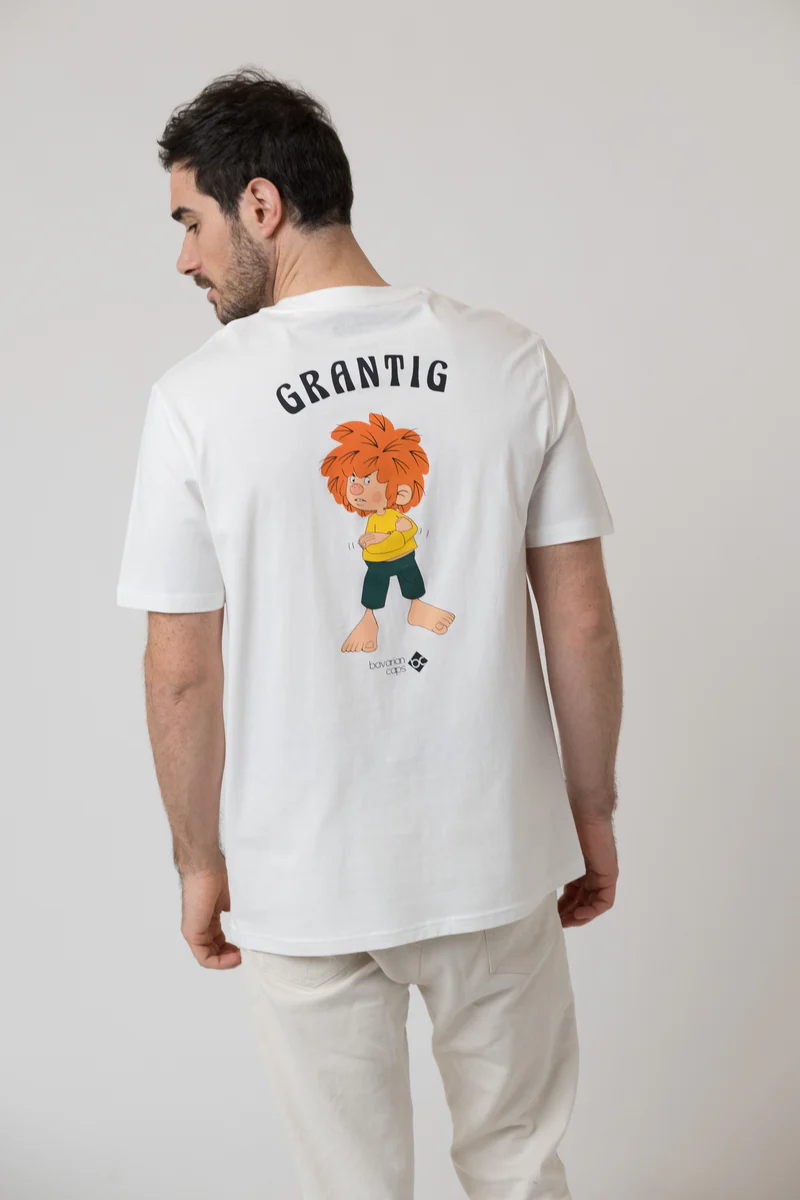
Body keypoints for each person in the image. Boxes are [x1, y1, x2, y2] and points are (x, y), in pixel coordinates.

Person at [116, 66, 623, 1200]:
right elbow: (581, 619)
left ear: (260, 205)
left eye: (191, 222)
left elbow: (180, 671)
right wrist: (589, 812)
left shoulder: (195, 400)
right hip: (494, 857)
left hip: (303, 877)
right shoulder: (510, 361)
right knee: (519, 1166)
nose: (185, 259)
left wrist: (198, 859)